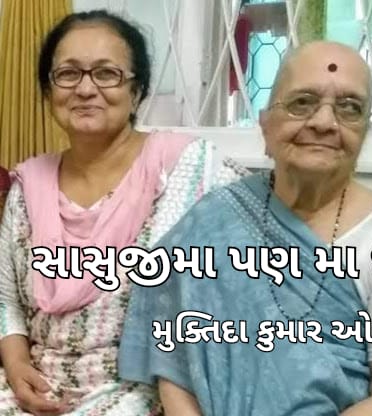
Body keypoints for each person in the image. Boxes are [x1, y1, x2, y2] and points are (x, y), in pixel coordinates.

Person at [119, 41, 372, 415]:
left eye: (349, 107)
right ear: (265, 124)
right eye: (302, 102)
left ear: (365, 133)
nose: (324, 122)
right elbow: (175, 364)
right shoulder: (216, 218)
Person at [0, 10, 245, 416]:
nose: (85, 88)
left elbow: (259, 260)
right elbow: (5, 298)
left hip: (143, 387)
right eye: (68, 74)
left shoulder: (188, 168)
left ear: (137, 90)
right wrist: (16, 364)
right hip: (34, 381)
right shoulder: (29, 185)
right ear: (48, 90)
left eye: (106, 73)